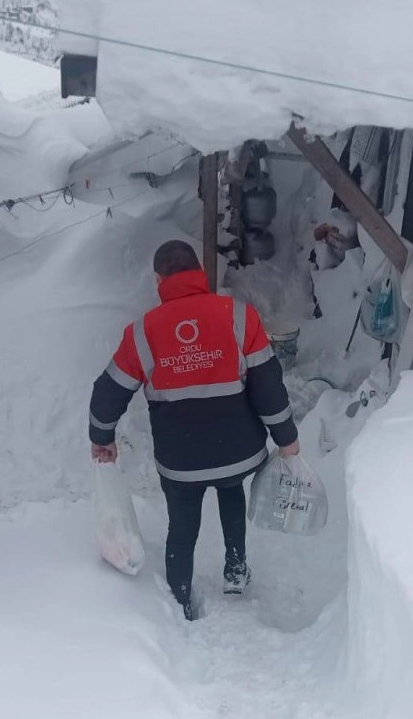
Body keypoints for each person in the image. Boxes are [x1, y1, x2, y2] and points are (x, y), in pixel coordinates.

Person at [89, 240, 299, 620]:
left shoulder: (143, 332)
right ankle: (236, 568)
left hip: (180, 459)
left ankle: (179, 600)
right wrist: (287, 438)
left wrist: (101, 437)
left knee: (182, 526)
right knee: (230, 489)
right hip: (237, 451)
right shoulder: (238, 316)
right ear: (199, 271)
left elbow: (109, 391)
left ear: (159, 279)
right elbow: (268, 384)